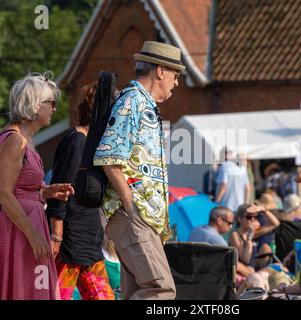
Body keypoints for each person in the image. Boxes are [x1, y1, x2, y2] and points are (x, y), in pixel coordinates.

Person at [0, 72, 74, 300]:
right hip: (17, 231)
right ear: (35, 106)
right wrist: (34, 236)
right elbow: (5, 194)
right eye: (51, 103)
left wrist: (45, 192)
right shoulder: (14, 140)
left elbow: (18, 188)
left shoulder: (23, 140)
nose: (54, 109)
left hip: (23, 227)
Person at [93, 41, 184, 300]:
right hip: (134, 214)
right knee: (160, 289)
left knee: (135, 291)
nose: (176, 82)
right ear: (160, 71)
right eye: (175, 75)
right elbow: (108, 157)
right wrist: (131, 205)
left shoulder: (140, 103)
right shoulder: (132, 102)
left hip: (139, 215)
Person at [46, 79, 115, 300]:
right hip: (69, 240)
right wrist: (56, 237)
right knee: (59, 296)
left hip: (90, 238)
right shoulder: (76, 142)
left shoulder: (95, 144)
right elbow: (59, 192)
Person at [229, 204, 280, 271]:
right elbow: (245, 260)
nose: (252, 219)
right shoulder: (235, 235)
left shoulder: (254, 233)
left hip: (254, 269)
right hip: (244, 271)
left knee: (278, 265)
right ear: (239, 219)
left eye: (255, 217)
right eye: (249, 217)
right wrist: (249, 238)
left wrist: (263, 209)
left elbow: (275, 224)